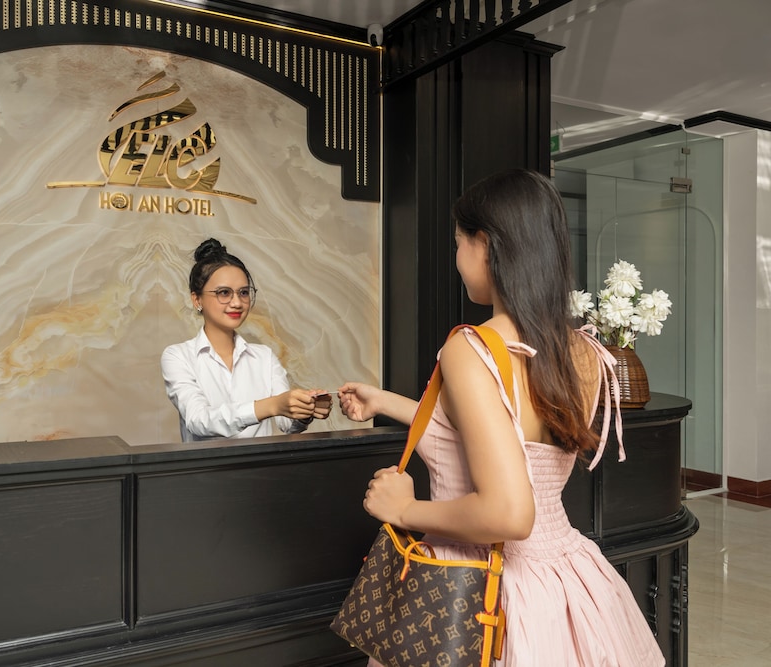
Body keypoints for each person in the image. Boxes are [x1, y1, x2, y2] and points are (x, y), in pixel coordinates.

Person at [338, 169, 664, 666]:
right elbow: (502, 434)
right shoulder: (583, 352)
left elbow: (508, 514)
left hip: (479, 587)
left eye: (458, 243)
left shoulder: (472, 348)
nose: (456, 259)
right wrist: (383, 402)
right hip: (564, 580)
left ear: (486, 245)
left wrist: (403, 509)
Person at [162, 238, 332, 442]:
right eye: (224, 293)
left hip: (262, 463)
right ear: (197, 299)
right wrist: (270, 405)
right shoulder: (178, 356)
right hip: (207, 464)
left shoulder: (264, 356)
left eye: (243, 292)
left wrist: (305, 409)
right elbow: (199, 421)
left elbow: (287, 425)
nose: (237, 302)